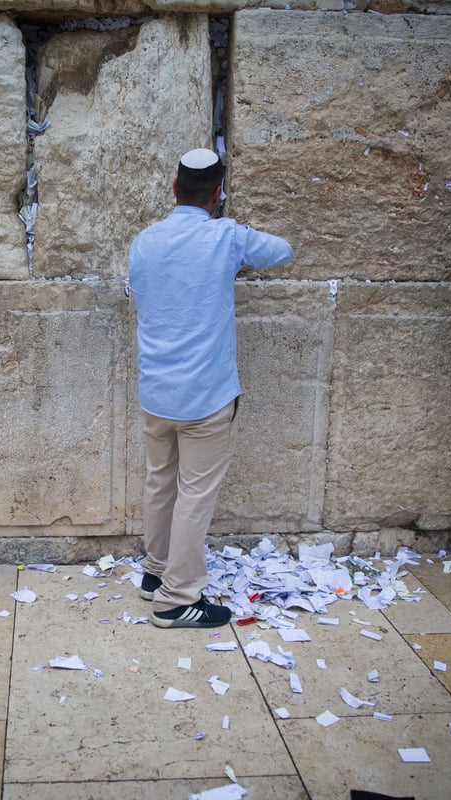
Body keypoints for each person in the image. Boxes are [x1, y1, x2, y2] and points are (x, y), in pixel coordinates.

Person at [128, 148, 294, 628]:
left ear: (175, 188)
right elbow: (282, 250)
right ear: (218, 193)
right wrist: (234, 233)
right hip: (205, 397)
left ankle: (155, 574)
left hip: (156, 393)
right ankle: (177, 599)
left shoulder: (144, 241)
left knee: (160, 483)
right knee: (194, 495)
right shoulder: (227, 238)